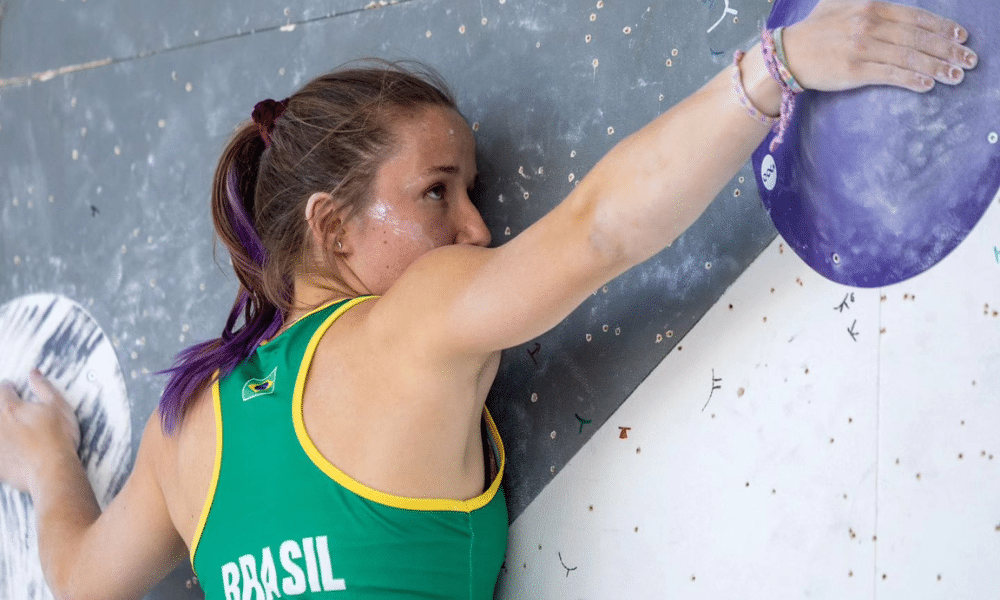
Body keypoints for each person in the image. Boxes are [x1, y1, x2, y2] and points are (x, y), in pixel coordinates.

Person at [0, 1, 978, 598]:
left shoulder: (190, 426)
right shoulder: (408, 325)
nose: (476, 230)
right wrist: (776, 69)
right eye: (439, 192)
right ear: (334, 228)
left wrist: (51, 472)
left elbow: (82, 578)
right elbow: (598, 229)